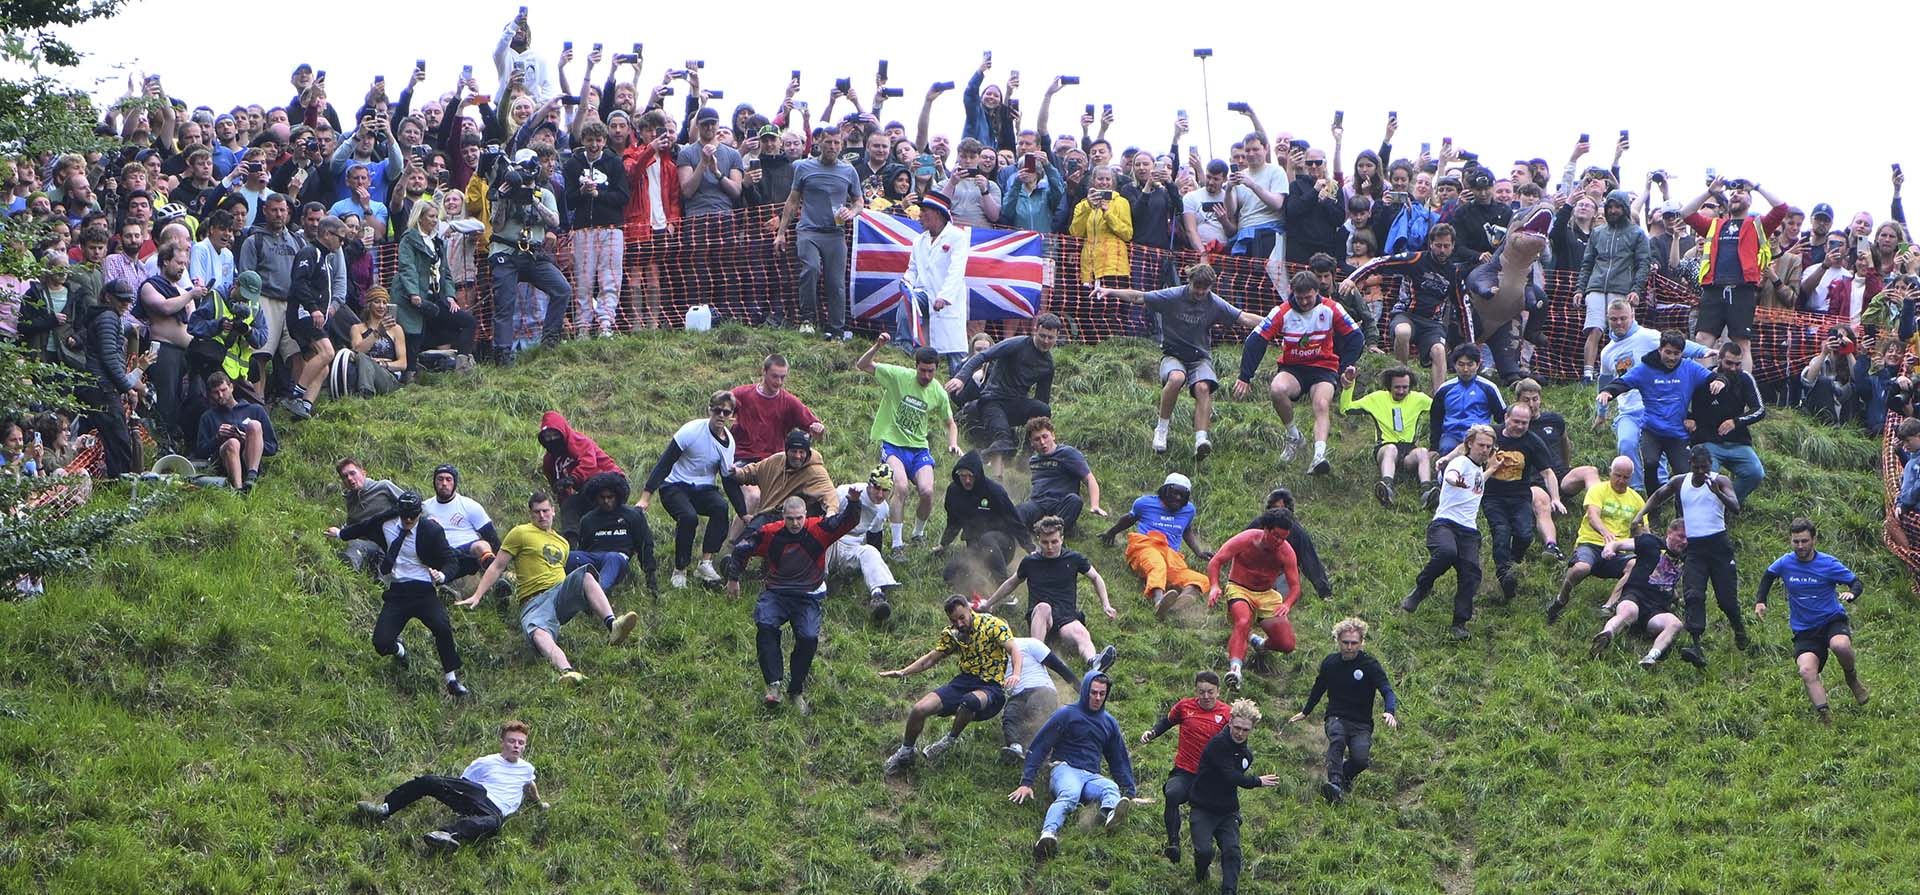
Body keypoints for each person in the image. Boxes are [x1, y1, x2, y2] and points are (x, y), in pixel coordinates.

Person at [456, 491, 641, 685]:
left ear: (553, 511)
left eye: (545, 511)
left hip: (560, 591)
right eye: (536, 512)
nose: (542, 516)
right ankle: (568, 672)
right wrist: (477, 595)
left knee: (586, 575)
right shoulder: (520, 532)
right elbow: (497, 566)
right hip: (534, 600)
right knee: (538, 632)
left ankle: (613, 625)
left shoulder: (562, 542)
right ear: (530, 514)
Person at [1094, 263, 1266, 458]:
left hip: (1199, 357)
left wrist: (1275, 322)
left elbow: (1243, 318)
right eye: (1197, 287)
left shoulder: (1214, 303)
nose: (1200, 292)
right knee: (1176, 378)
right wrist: (1109, 291)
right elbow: (1138, 297)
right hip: (1173, 354)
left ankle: (1201, 440)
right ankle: (1161, 430)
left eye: (1205, 288)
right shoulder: (1172, 296)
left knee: (1203, 388)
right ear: (1189, 281)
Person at [725, 493, 863, 713]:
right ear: (783, 516)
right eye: (790, 519)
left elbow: (846, 522)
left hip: (807, 594)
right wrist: (734, 578)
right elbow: (743, 549)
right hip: (777, 592)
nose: (795, 523)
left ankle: (795, 690)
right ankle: (774, 684)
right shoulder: (771, 532)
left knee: (808, 638)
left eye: (799, 518)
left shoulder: (818, 529)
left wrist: (854, 502)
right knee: (766, 625)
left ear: (805, 515)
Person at [333, 489, 469, 697]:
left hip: (423, 591)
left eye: (412, 517)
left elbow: (451, 559)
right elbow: (364, 526)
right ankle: (400, 650)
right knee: (381, 642)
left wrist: (441, 576)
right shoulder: (387, 522)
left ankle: (451, 678)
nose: (407, 520)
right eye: (404, 516)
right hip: (398, 591)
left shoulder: (431, 531)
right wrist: (341, 534)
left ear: (418, 514)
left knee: (442, 626)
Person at [1234, 270, 1365, 475]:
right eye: (1300, 297)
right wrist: (1245, 376)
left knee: (1321, 404)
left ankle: (1319, 456)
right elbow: (1256, 340)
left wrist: (1344, 368)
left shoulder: (1331, 308)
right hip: (1293, 368)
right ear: (1292, 292)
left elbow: (1356, 337)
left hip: (1324, 367)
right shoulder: (1282, 311)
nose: (1304, 302)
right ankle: (1294, 436)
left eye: (1309, 297)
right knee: (1277, 389)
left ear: (1316, 292)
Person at [1628, 445, 1744, 668]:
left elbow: (1736, 507)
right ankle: (1696, 644)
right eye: (1696, 467)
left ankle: (1738, 627)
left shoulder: (1720, 481)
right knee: (1693, 594)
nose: (1701, 471)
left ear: (1710, 465)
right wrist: (1640, 515)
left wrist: (1717, 494)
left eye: (1705, 467)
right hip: (1695, 549)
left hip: (1719, 547)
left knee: (1726, 600)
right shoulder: (1681, 481)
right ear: (1690, 464)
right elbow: (1659, 495)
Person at [879, 594, 1020, 774]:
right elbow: (930, 659)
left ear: (970, 610)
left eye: (962, 618)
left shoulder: (992, 624)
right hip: (963, 681)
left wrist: (1015, 674)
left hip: (991, 687)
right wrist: (903, 672)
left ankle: (948, 740)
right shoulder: (953, 634)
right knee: (919, 709)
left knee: (970, 701)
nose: (959, 624)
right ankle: (905, 751)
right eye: (954, 621)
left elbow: (1014, 648)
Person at [355, 720, 546, 852]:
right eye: (512, 741)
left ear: (525, 746)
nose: (516, 746)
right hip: (478, 794)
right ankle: (385, 809)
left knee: (494, 824)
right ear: (503, 742)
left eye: (521, 743)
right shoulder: (486, 762)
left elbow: (530, 785)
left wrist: (539, 803)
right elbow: (463, 782)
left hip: (495, 811)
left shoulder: (527, 768)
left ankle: (445, 834)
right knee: (430, 781)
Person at [1008, 669, 1138, 861]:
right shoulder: (1066, 714)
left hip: (1091, 776)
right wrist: (1026, 782)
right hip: (1065, 769)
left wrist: (1129, 792)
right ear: (1085, 690)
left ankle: (1107, 816)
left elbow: (1118, 758)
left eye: (1102, 694)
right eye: (1093, 692)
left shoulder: (1109, 723)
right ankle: (1047, 835)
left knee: (1111, 788)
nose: (1097, 698)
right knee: (1070, 794)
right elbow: (1041, 745)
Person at [1754, 519, 1869, 724]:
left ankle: (1851, 677)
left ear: (1814, 540)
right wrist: (1761, 601)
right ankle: (1826, 718)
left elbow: (1855, 582)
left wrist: (1852, 594)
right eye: (1795, 541)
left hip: (1831, 619)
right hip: (1805, 628)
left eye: (1804, 541)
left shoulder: (1828, 563)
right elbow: (1768, 576)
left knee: (1840, 645)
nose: (1800, 546)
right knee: (1806, 670)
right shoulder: (1785, 562)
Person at [857, 336, 960, 558]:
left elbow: (950, 424)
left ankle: (918, 534)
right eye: (922, 370)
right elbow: (862, 365)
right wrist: (877, 346)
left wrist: (953, 444)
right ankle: (896, 545)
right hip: (893, 444)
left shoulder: (938, 392)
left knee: (928, 491)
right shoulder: (898, 376)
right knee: (901, 487)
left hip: (919, 448)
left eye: (931, 371)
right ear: (916, 366)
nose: (926, 376)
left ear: (936, 370)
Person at [979, 515, 1117, 673]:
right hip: (1041, 616)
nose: (1050, 547)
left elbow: (1095, 577)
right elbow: (1011, 583)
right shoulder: (1030, 562)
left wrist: (1106, 604)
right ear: (1039, 540)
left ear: (1062, 539)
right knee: (1044, 607)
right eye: (1045, 542)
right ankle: (1035, 659)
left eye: (1054, 542)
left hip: (1066, 617)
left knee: (1080, 631)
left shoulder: (1074, 558)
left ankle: (1094, 662)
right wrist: (988, 603)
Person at [1678, 176, 1790, 367]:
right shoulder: (1715, 225)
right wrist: (1710, 191)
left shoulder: (1757, 225)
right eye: (1732, 193)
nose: (1735, 195)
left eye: (1741, 192)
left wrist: (1756, 186)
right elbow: (1686, 213)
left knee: (1742, 343)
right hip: (1713, 289)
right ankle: (1701, 390)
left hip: (1741, 290)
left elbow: (1781, 208)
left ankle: (1745, 389)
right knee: (1702, 339)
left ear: (1750, 200)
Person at [1595, 301, 1709, 490]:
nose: (1619, 323)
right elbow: (1606, 383)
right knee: (1626, 443)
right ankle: (1638, 489)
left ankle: (1662, 488)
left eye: (1623, 318)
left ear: (1632, 315)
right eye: (1614, 319)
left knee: (1659, 451)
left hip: (1656, 406)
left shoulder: (1648, 336)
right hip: (1628, 410)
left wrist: (1703, 351)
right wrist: (1601, 412)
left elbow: (1679, 345)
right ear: (1608, 320)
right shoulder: (1608, 352)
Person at [640, 391, 748, 589]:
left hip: (703, 488)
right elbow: (665, 463)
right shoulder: (691, 431)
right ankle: (680, 569)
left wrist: (744, 513)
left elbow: (728, 480)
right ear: (710, 410)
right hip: (674, 485)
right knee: (688, 518)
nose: (721, 416)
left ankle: (705, 563)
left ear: (732, 415)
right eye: (717, 410)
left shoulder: (729, 443)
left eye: (726, 412)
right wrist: (646, 497)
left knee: (720, 507)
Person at [1288, 617, 1400, 804]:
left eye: (1354, 643)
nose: (1349, 647)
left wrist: (1390, 711)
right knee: (1337, 740)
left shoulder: (1370, 665)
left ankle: (1345, 777)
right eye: (1345, 642)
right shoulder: (1330, 663)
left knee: (1361, 760)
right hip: (1336, 716)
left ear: (1361, 643)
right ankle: (1335, 784)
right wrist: (1306, 711)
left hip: (1362, 723)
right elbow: (1318, 688)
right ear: (1338, 641)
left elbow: (1387, 690)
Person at [1340, 224, 1464, 391]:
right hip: (1406, 314)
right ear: (1430, 244)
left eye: (1446, 246)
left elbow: (1463, 309)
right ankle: (1400, 380)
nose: (1442, 250)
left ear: (1453, 246)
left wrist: (1470, 344)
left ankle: (1439, 400)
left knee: (1439, 351)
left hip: (1432, 323)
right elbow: (1380, 262)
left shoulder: (1454, 272)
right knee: (1403, 332)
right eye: (1438, 245)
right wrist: (1353, 278)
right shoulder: (1415, 259)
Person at [1464, 400, 1564, 604]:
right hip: (1493, 497)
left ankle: (1513, 562)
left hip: (1520, 496)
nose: (1519, 426)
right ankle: (1505, 576)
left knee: (1524, 535)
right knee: (1501, 533)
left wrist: (1555, 498)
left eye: (1524, 423)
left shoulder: (1533, 441)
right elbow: (1465, 449)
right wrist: (1446, 460)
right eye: (1516, 421)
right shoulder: (1492, 435)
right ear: (1506, 418)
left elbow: (1547, 472)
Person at [1402, 424, 1494, 640]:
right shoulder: (1460, 462)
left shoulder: (1479, 470)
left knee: (1471, 574)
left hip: (1469, 531)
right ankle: (1421, 589)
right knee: (1446, 553)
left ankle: (1459, 623)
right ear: (1470, 444)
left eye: (1489, 446)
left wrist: (1493, 469)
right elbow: (1452, 474)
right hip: (1445, 524)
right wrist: (1455, 480)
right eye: (1481, 445)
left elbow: (1478, 482)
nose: (1485, 450)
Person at [1187, 699, 1281, 894]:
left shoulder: (1246, 754)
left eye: (1245, 730)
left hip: (1227, 811)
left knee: (1232, 852)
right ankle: (1201, 871)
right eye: (1237, 727)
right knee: (1204, 852)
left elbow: (1235, 775)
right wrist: (1257, 781)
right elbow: (1229, 776)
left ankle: (1229, 891)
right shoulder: (1218, 744)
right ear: (1229, 723)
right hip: (1203, 807)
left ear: (1252, 729)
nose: (1240, 733)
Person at [1205, 508, 1302, 690]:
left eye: (1284, 538)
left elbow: (1295, 586)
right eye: (1275, 536)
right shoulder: (1246, 539)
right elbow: (1216, 561)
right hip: (1240, 588)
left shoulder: (1286, 552)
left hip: (1267, 594)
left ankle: (1258, 642)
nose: (1279, 542)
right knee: (1243, 621)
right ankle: (1235, 670)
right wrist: (1215, 586)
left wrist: (1287, 604)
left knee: (1287, 644)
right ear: (1265, 529)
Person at [776, 128, 859, 336]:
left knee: (835, 282)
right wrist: (781, 232)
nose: (832, 147)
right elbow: (793, 201)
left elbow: (859, 201)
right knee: (811, 269)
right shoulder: (804, 167)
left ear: (842, 145)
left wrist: (852, 211)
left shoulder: (849, 171)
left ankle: (836, 329)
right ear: (818, 143)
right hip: (808, 230)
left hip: (835, 233)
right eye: (828, 142)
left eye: (837, 143)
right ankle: (807, 320)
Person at [1138, 671, 1228, 865]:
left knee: (1209, 817)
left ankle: (1208, 858)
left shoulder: (1227, 714)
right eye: (1201, 692)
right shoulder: (1185, 706)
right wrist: (1152, 733)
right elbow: (1167, 722)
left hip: (1211, 778)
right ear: (1195, 690)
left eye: (1210, 692)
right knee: (1172, 794)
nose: (1205, 696)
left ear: (1218, 692)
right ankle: (1173, 844)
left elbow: (1237, 742)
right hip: (1185, 771)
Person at [949, 313, 1061, 461]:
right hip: (993, 400)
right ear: (1035, 330)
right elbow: (983, 356)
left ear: (1057, 337)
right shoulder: (1017, 344)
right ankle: (976, 460)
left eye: (1050, 338)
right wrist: (961, 378)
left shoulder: (1047, 365)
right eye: (1042, 336)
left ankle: (1028, 457)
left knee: (1042, 409)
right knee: (1004, 441)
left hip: (1016, 404)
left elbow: (1042, 399)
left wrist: (1039, 434)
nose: (1046, 341)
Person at [1548, 456, 1643, 623]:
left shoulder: (1637, 500)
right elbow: (1592, 515)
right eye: (1617, 475)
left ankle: (1609, 606)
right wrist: (1605, 533)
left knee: (1635, 565)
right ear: (1610, 473)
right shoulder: (1598, 490)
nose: (1621, 480)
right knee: (1581, 568)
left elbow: (1643, 531)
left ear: (1631, 477)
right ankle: (1560, 599)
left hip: (1619, 551)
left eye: (1625, 477)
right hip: (1591, 543)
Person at [1587, 518, 1688, 667]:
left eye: (1688, 538)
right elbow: (1620, 543)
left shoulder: (1688, 557)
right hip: (1635, 595)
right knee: (1629, 612)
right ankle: (1605, 635)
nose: (1685, 542)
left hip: (1657, 609)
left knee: (1675, 624)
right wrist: (1610, 548)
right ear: (1670, 532)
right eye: (1681, 536)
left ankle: (1651, 657)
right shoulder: (1650, 542)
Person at [1575, 189, 1652, 382]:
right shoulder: (1598, 233)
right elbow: (1587, 263)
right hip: (1596, 285)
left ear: (1625, 208)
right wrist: (1579, 288)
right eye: (1610, 206)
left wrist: (1636, 290)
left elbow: (1643, 264)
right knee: (1594, 328)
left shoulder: (1637, 234)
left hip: (1621, 287)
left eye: (1618, 206)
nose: (1613, 210)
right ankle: (1587, 374)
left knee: (1620, 331)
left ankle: (1618, 374)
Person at [936, 449, 1035, 591]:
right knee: (950, 574)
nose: (967, 480)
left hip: (1002, 545)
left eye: (971, 476)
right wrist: (943, 544)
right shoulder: (954, 492)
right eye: (963, 476)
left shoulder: (994, 491)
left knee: (986, 539)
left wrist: (1030, 548)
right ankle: (979, 585)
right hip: (975, 547)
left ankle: (1004, 587)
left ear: (978, 475)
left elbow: (1015, 521)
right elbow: (953, 521)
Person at [1339, 365, 1434, 507]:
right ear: (1389, 386)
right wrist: (1348, 386)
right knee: (1391, 449)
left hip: (1409, 450)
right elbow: (1346, 409)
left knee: (1422, 452)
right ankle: (1386, 487)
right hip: (1385, 447)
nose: (1401, 391)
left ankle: (1427, 491)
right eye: (1397, 387)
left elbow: (1440, 407)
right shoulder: (1376, 398)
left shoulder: (1419, 399)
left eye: (1405, 387)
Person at [1687, 342, 1767, 502]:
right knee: (1708, 475)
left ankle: (1726, 503)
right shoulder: (1702, 377)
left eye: (1738, 364)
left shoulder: (1745, 378)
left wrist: (1736, 422)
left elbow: (1759, 409)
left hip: (1737, 442)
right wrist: (1688, 417)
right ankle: (1705, 506)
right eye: (1728, 363)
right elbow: (1679, 400)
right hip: (1707, 441)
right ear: (1719, 359)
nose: (1733, 368)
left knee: (1755, 473)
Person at [903, 190, 970, 366]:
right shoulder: (919, 240)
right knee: (906, 301)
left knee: (955, 353)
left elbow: (957, 270)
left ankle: (960, 388)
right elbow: (912, 269)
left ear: (938, 213)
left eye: (925, 211)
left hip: (947, 301)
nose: (920, 215)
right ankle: (903, 346)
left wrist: (944, 296)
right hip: (923, 295)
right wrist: (907, 283)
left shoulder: (958, 237)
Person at [536, 410, 624, 543]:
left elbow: (589, 463)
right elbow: (559, 487)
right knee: (570, 506)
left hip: (612, 479)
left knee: (592, 485)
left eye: (555, 434)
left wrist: (572, 478)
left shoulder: (578, 441)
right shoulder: (550, 461)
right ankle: (572, 541)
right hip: (587, 491)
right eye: (548, 437)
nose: (552, 439)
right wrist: (563, 495)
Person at [828, 465, 902, 621]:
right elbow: (826, 513)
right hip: (832, 539)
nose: (880, 494)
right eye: (877, 488)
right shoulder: (847, 492)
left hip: (853, 547)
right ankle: (817, 586)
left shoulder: (883, 509)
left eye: (885, 490)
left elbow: (875, 536)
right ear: (870, 484)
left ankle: (877, 595)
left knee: (870, 551)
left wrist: (872, 563)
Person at [732, 429, 838, 537]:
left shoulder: (815, 471)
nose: (797, 456)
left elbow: (830, 494)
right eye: (794, 451)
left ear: (807, 453)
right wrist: (737, 472)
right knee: (746, 542)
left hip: (792, 521)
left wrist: (831, 513)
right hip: (766, 514)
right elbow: (753, 472)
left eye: (801, 452)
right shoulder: (776, 461)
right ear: (787, 451)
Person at [1015, 416, 1106, 534]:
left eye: (1045, 436)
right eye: (1037, 439)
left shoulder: (1068, 453)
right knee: (1019, 510)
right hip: (1038, 504)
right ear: (1032, 443)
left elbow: (1089, 478)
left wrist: (1095, 505)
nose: (1042, 442)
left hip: (1061, 504)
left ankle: (1052, 534)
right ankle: (1025, 538)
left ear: (1053, 435)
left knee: (1075, 501)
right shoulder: (1033, 461)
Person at [569, 472, 655, 595]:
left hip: (617, 560)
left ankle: (596, 595)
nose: (606, 501)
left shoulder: (632, 516)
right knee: (570, 556)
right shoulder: (588, 520)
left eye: (610, 497)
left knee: (612, 557)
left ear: (618, 496)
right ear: (595, 497)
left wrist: (651, 580)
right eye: (602, 497)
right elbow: (583, 549)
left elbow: (645, 546)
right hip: (594, 559)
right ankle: (566, 595)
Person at [191, 371, 276, 491]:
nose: (220, 395)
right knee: (232, 442)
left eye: (223, 390)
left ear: (231, 387)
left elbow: (272, 447)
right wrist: (217, 438)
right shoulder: (208, 417)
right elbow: (200, 452)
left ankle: (251, 477)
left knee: (254, 425)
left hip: (250, 460)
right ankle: (238, 488)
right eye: (216, 393)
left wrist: (246, 439)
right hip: (224, 462)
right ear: (210, 394)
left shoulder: (255, 410)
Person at [999, 635, 1078, 764]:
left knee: (1036, 709)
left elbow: (1059, 667)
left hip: (1040, 688)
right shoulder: (991, 656)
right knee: (1010, 715)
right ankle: (1016, 747)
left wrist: (1083, 689)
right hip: (1016, 696)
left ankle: (1048, 753)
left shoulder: (1028, 644)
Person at [423, 463, 502, 583]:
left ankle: (498, 580)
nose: (444, 483)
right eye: (440, 479)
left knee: (481, 546)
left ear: (455, 482)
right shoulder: (424, 508)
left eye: (448, 479)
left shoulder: (470, 505)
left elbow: (492, 538)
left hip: (467, 551)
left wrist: (503, 567)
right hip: (441, 553)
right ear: (434, 482)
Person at [328, 456, 406, 573]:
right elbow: (354, 528)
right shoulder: (350, 501)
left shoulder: (383, 487)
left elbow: (412, 505)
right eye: (345, 476)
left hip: (398, 543)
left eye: (352, 473)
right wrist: (339, 533)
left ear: (363, 473)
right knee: (357, 546)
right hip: (371, 546)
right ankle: (346, 572)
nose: (349, 478)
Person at [1255, 487, 1333, 600]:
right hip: (1256, 573)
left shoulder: (1297, 532)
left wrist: (1324, 592)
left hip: (1281, 575)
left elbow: (1310, 562)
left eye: (1281, 509)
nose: (1278, 513)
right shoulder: (1258, 525)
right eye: (1274, 509)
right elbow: (1238, 548)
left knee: (1278, 606)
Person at [1429, 346, 1505, 458]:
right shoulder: (1445, 389)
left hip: (1479, 436)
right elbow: (1436, 419)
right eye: (1461, 364)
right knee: (1447, 449)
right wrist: (1433, 447)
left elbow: (1502, 417)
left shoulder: (1489, 388)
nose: (1465, 369)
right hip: (1451, 436)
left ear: (1478, 365)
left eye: (1470, 364)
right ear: (1454, 365)